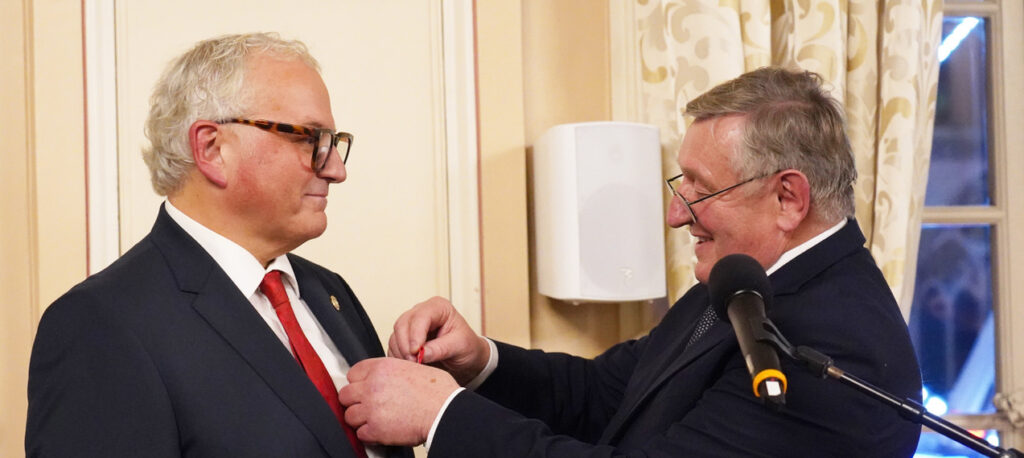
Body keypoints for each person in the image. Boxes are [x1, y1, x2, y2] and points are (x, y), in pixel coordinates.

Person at [337, 67, 923, 457]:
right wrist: (480, 361)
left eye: (700, 188)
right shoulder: (747, 281)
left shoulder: (841, 347)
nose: (675, 213)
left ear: (787, 198)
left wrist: (443, 416)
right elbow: (607, 394)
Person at [26, 33, 412, 458]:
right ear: (211, 148)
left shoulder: (328, 292)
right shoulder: (101, 325)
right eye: (309, 139)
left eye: (333, 143)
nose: (336, 170)